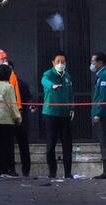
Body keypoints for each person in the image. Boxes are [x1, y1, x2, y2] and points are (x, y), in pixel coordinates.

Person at [41, 51, 75, 179]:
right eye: (58, 62)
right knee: (51, 145)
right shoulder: (48, 74)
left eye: (63, 62)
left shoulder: (67, 76)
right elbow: (44, 81)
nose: (61, 64)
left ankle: (68, 173)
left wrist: (72, 108)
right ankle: (52, 172)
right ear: (53, 63)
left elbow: (71, 93)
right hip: (51, 114)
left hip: (65, 115)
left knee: (67, 145)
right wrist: (52, 85)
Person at [8, 61, 32, 177]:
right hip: (9, 119)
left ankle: (25, 170)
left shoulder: (21, 84)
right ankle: (12, 169)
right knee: (10, 145)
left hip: (20, 118)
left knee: (23, 145)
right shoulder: (3, 83)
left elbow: (29, 98)